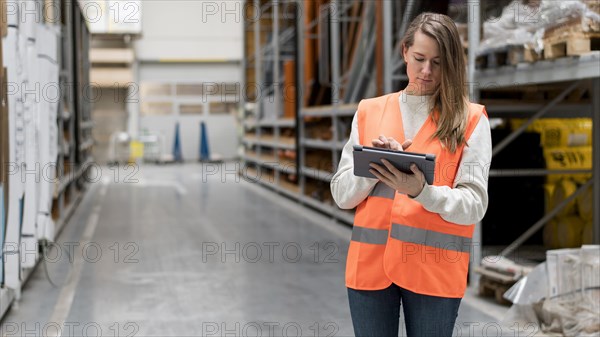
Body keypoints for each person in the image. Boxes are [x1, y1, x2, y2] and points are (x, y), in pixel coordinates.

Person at [330, 12, 492, 337]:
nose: (427, 71)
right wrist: (378, 166)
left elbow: (475, 204)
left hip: (434, 271)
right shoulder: (369, 111)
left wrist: (422, 191)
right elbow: (341, 194)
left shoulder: (471, 120)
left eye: (437, 62)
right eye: (419, 58)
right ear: (404, 51)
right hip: (370, 268)